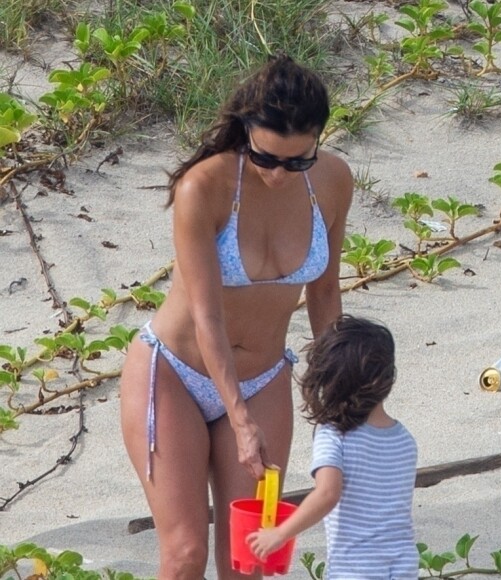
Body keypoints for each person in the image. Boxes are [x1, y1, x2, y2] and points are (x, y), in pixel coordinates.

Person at [119, 53, 353, 580]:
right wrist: (240, 421)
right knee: (184, 556)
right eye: (266, 158)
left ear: (319, 138)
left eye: (297, 161)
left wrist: (343, 393)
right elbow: (207, 317)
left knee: (251, 563)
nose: (278, 173)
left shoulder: (334, 180)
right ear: (246, 131)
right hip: (174, 372)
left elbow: (325, 294)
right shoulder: (204, 187)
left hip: (265, 376)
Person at [247, 314, 419, 580]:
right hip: (403, 567)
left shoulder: (334, 435)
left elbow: (327, 493)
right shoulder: (404, 440)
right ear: (387, 378)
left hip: (354, 569)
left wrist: (280, 533)